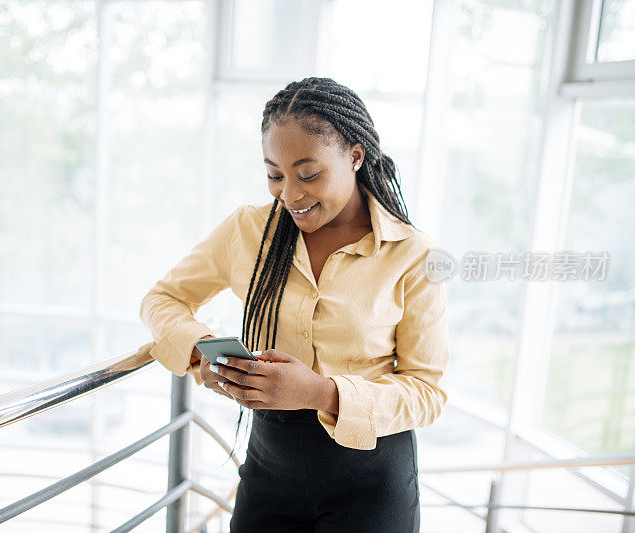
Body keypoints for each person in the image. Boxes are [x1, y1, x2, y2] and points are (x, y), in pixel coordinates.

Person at [140, 77, 449, 532]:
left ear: (356, 155)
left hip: (373, 482)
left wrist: (320, 393)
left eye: (308, 174)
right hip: (270, 473)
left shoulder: (413, 254)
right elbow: (162, 299)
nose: (289, 194)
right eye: (274, 174)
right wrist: (198, 350)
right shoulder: (247, 230)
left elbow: (428, 391)